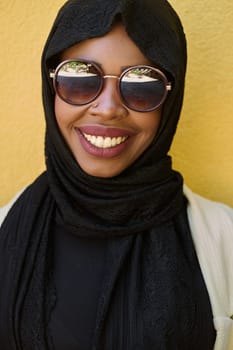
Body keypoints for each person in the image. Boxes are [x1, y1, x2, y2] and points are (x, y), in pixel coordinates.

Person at [0, 0, 233, 349]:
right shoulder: (6, 229)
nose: (108, 109)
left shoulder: (225, 239)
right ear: (51, 90)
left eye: (142, 84)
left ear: (170, 102)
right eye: (79, 78)